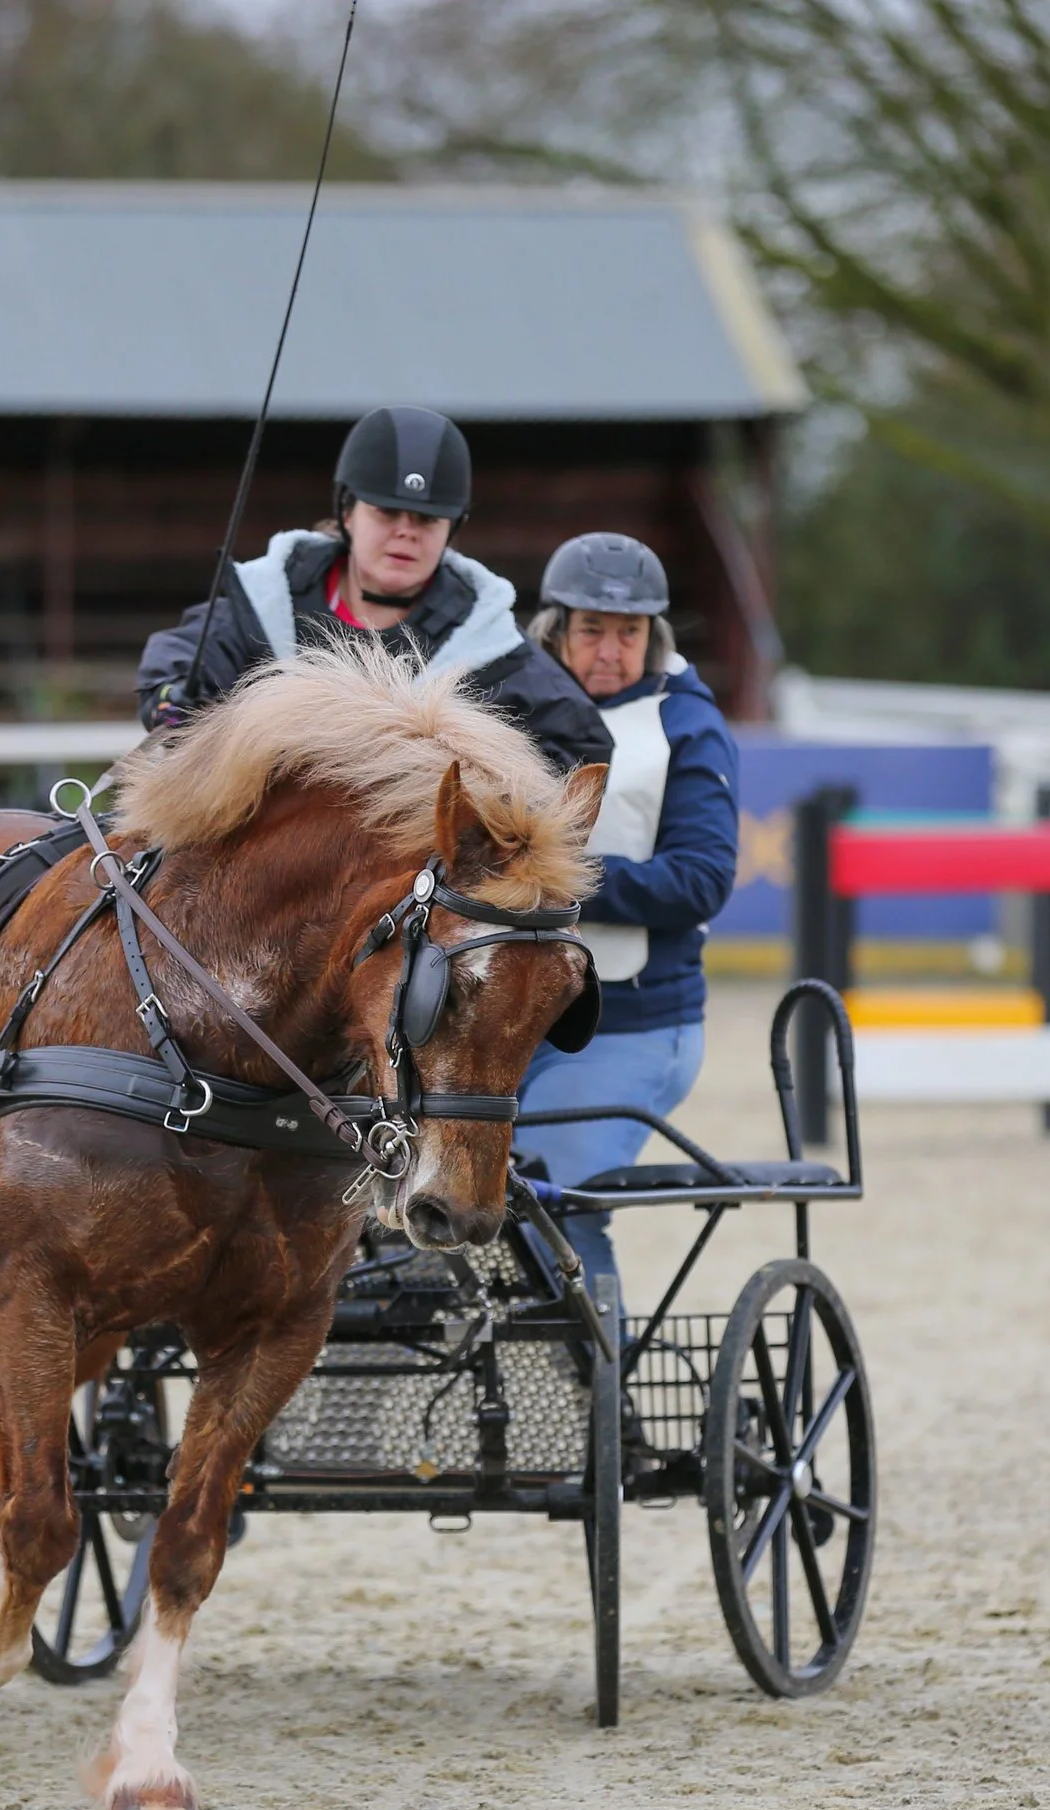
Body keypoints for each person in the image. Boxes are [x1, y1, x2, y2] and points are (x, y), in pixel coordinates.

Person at [135, 405, 611, 774]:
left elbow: (581, 746)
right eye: (386, 513)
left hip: (403, 878)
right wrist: (175, 704)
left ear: (452, 529)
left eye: (427, 520)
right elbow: (177, 670)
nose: (406, 532)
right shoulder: (264, 604)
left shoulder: (488, 647)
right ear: (348, 513)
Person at [512, 532, 739, 1306]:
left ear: (654, 636)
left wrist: (564, 877)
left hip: (634, 1022)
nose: (610, 651)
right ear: (556, 629)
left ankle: (606, 1410)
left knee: (552, 1203)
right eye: (591, 630)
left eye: (629, 633)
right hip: (511, 1019)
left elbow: (704, 878)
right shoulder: (504, 696)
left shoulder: (688, 724)